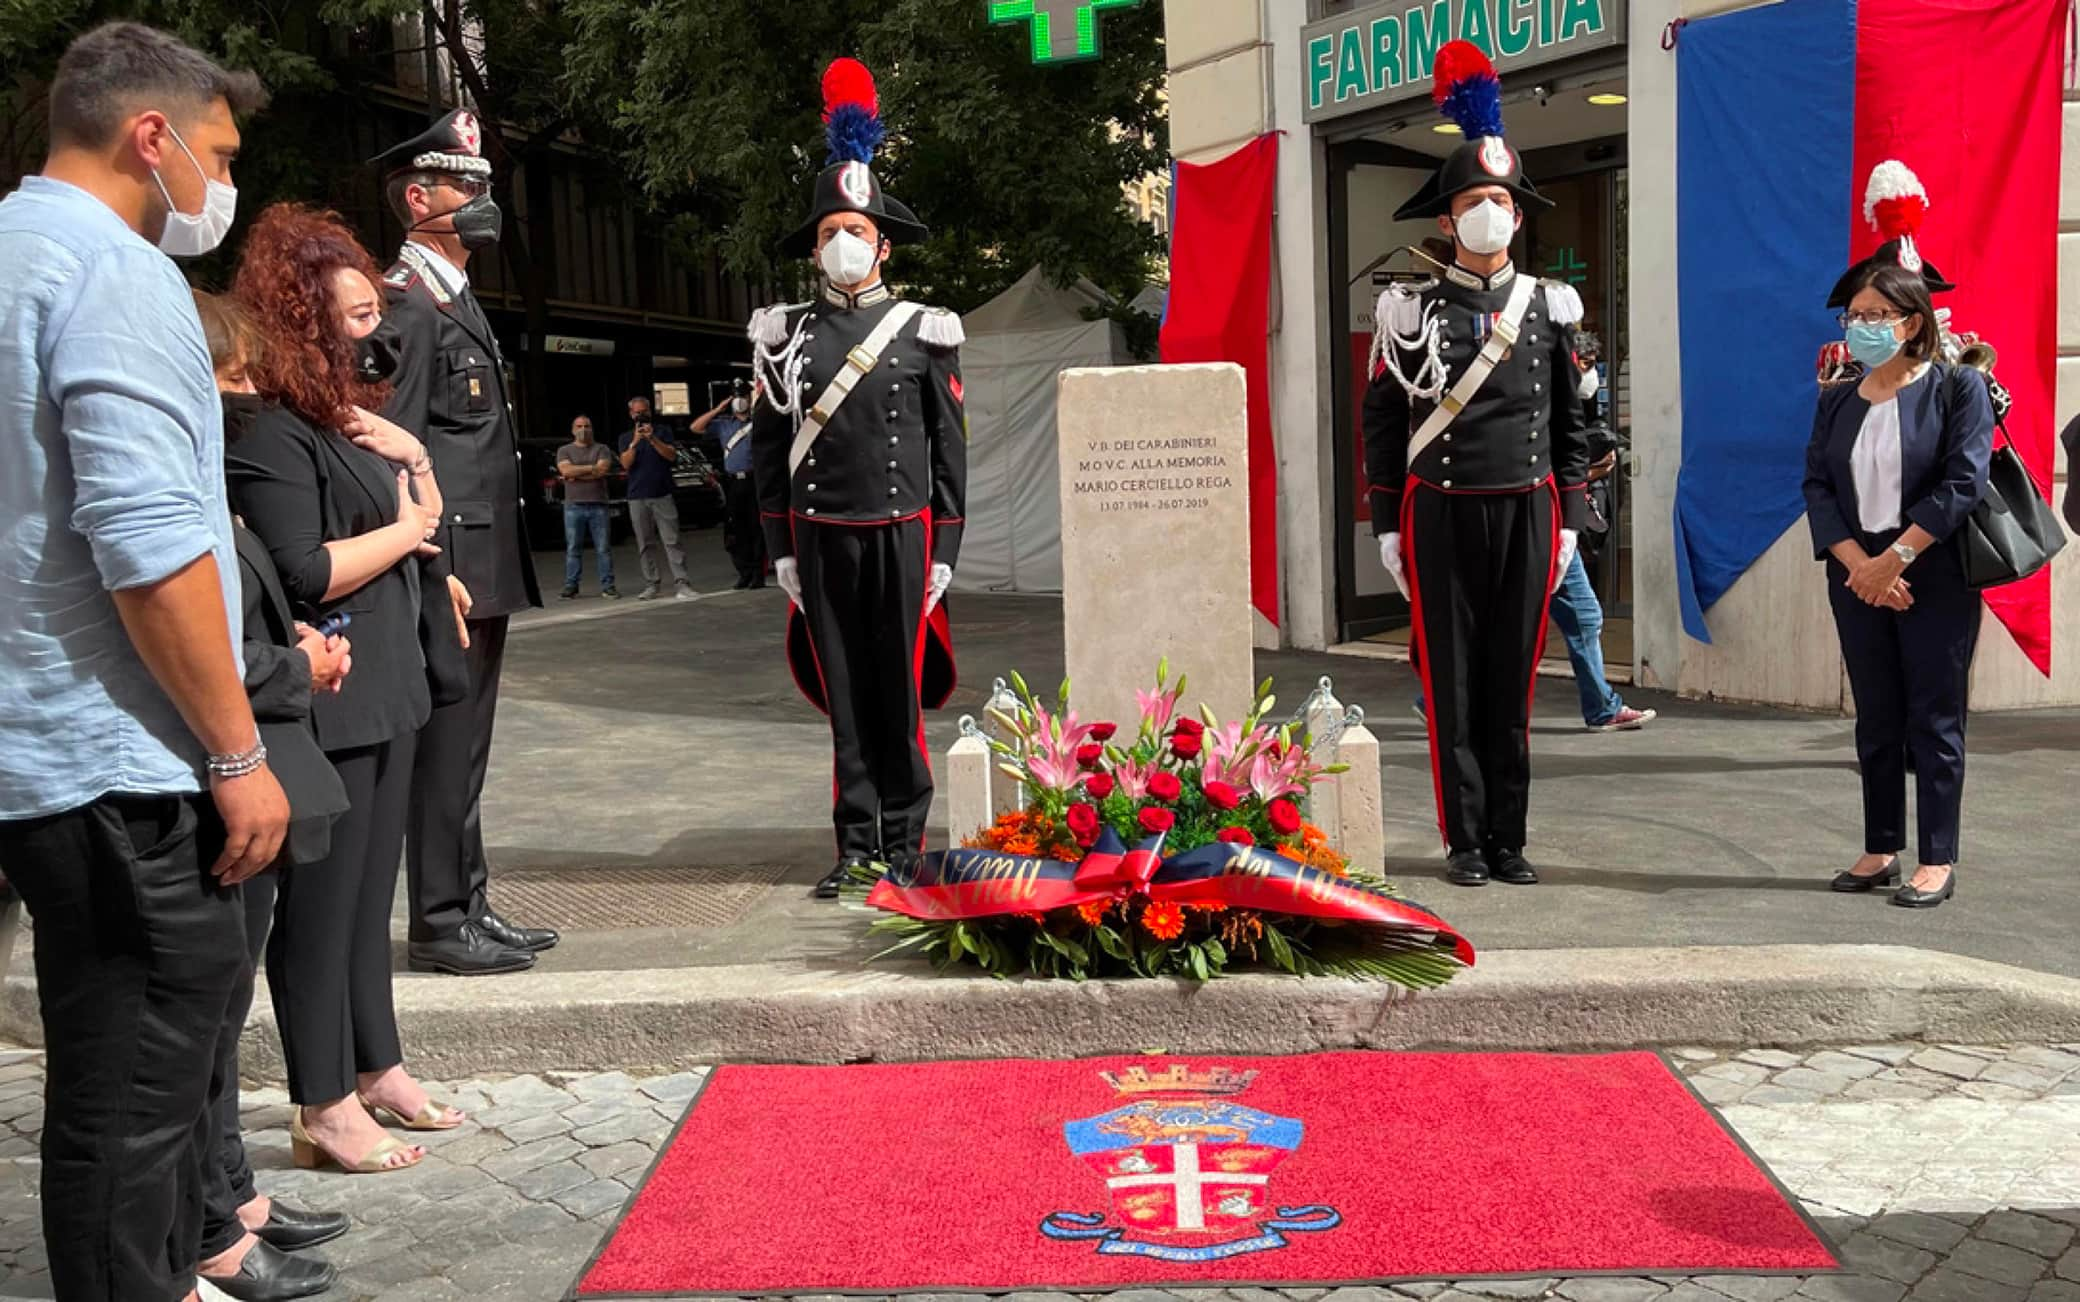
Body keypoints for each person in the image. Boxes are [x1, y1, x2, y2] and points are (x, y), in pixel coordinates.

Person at [0, 24, 285, 1302]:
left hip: (37, 743)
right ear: (151, 137)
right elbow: (149, 544)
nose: (223, 191)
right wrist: (236, 751)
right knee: (135, 1087)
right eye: (219, 155)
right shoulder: (112, 275)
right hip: (116, 753)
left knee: (119, 1074)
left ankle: (170, 1274)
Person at [228, 203, 471, 1174]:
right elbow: (305, 568)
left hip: (391, 675)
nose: (376, 333)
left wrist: (409, 467)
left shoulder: (342, 424)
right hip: (330, 690)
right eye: (357, 316)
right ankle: (321, 1100)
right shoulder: (270, 432)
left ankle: (379, 1066)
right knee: (323, 909)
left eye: (375, 311)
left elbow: (411, 512)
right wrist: (411, 534)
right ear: (302, 318)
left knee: (372, 897)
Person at [1362, 42, 1591, 889]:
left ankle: (1509, 837)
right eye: (1472, 201)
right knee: (1451, 684)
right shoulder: (1408, 309)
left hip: (1528, 509)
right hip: (1442, 511)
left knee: (1513, 682)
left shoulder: (1548, 310)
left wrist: (1572, 517)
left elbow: (1573, 422)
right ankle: (1464, 840)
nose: (1488, 212)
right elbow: (1383, 422)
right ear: (1448, 221)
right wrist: (1387, 520)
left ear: (1518, 216)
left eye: (1500, 198)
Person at [749, 58, 965, 899]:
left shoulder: (926, 330)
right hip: (820, 534)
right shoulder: (781, 334)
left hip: (902, 531)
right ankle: (856, 845)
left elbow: (950, 448)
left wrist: (946, 542)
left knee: (898, 696)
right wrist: (779, 549)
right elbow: (771, 449)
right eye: (828, 229)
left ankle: (907, 841)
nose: (843, 242)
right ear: (814, 245)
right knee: (846, 699)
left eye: (857, 228)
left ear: (882, 242)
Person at [373, 109, 557, 975]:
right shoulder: (404, 306)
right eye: (466, 187)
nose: (482, 201)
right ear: (419, 198)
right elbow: (394, 449)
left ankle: (471, 901)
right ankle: (442, 923)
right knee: (447, 745)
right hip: (450, 567)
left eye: (485, 187)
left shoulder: (453, 296)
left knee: (470, 746)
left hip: (483, 560)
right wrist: (431, 564)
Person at [195, 291, 353, 1302]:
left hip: (261, 750)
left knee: (219, 1011)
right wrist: (296, 667)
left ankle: (232, 1196)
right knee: (202, 1023)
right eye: (234, 375)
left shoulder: (209, 478)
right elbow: (191, 645)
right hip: (219, 775)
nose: (249, 393)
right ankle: (213, 1223)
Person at [1804, 160, 1993, 911]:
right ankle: (1881, 844)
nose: (1862, 326)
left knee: (1934, 717)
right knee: (1876, 715)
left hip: (1932, 575)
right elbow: (1817, 485)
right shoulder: (1838, 398)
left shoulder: (1957, 387)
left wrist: (1896, 559)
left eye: (1878, 315)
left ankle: (1936, 857)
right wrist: (1859, 564)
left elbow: (1962, 483)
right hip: (1858, 578)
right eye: (1855, 314)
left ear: (1912, 321)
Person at [620, 394, 698, 600]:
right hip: (637, 496)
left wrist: (652, 438)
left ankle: (682, 582)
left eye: (644, 412)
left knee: (672, 540)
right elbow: (626, 464)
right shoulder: (626, 438)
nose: (641, 416)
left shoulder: (663, 431)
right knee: (645, 543)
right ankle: (651, 583)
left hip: (662, 493)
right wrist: (635, 442)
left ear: (650, 412)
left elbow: (671, 456)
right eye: (637, 413)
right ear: (631, 415)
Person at [696, 381, 767, 588]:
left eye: (743, 395)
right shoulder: (723, 423)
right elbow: (696, 427)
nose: (739, 400)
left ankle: (757, 574)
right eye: (736, 396)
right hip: (733, 483)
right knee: (736, 529)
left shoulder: (759, 422)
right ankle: (744, 572)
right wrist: (718, 409)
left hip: (754, 480)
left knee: (756, 528)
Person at [556, 414, 618, 599]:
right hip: (573, 505)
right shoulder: (564, 450)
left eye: (587, 426)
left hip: (598, 504)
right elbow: (566, 470)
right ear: (573, 430)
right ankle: (571, 585)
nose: (583, 430)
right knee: (573, 548)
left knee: (603, 548)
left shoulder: (602, 449)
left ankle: (608, 586)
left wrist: (576, 474)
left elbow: (602, 470)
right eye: (580, 426)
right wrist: (591, 469)